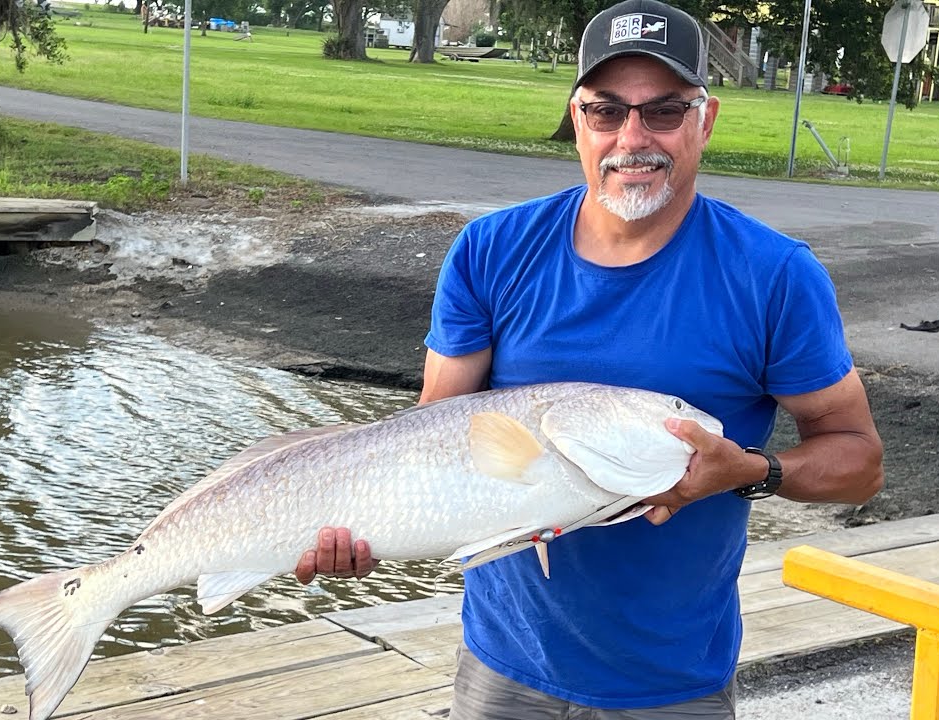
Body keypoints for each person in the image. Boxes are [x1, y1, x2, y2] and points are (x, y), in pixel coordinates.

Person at [294, 0, 884, 717]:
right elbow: (435, 433)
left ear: (706, 119)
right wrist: (361, 529)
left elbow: (859, 462)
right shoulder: (491, 250)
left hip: (671, 683)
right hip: (502, 665)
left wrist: (752, 472)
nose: (632, 137)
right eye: (607, 112)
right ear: (577, 118)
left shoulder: (773, 274)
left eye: (664, 111)